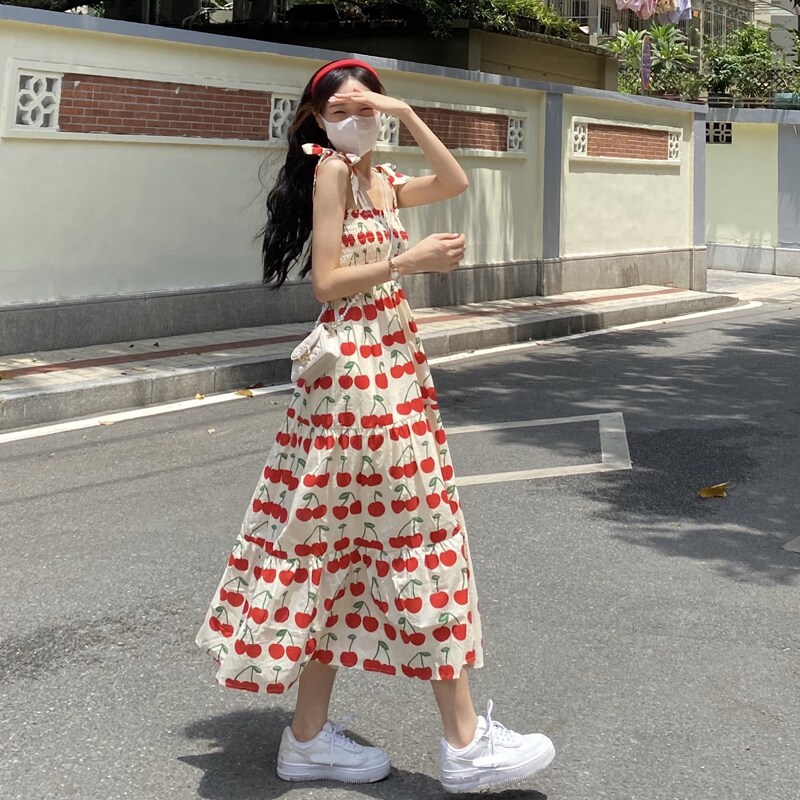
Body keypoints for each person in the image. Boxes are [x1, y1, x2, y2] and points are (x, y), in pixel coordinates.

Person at [195, 58, 555, 793]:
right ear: (316, 121)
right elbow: (328, 283)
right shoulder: (331, 173)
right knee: (420, 534)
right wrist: (405, 260)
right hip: (362, 374)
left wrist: (407, 113)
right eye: (343, 110)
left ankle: (307, 739)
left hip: (385, 365)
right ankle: (464, 742)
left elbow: (454, 180)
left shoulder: (380, 178)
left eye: (367, 109)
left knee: (338, 548)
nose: (357, 121)